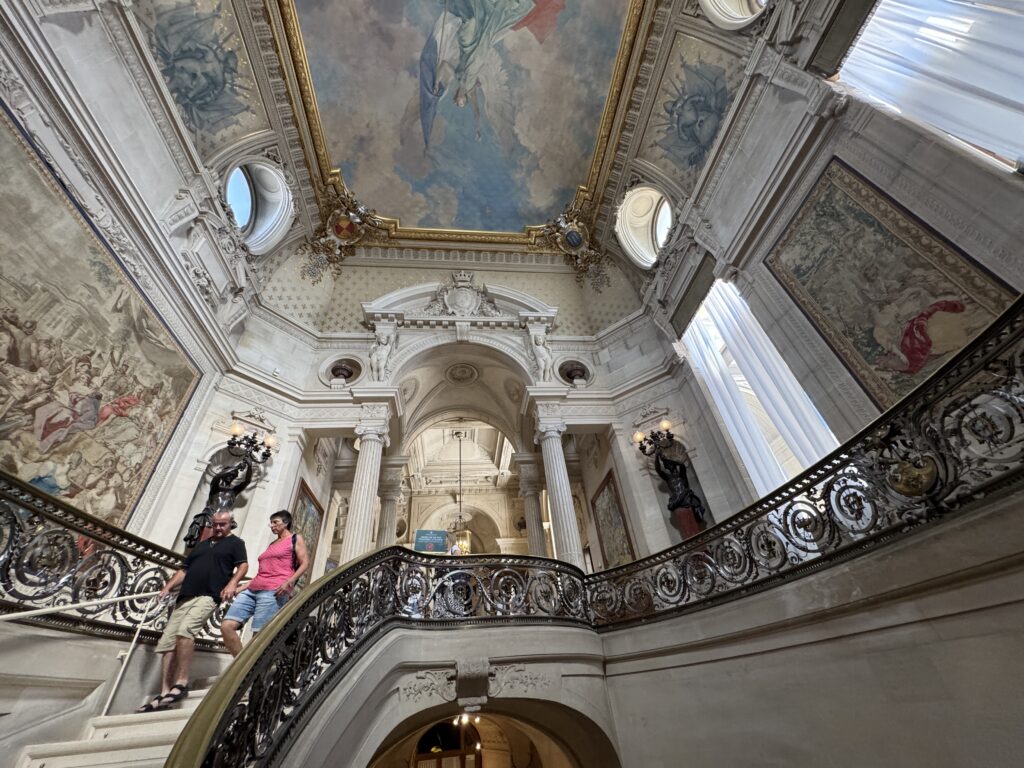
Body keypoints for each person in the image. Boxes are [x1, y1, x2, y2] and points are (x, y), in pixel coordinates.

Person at [137, 510, 247, 712]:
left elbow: (243, 566)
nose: (218, 528)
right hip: (185, 596)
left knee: (185, 631)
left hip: (209, 595)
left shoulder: (236, 543)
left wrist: (232, 583)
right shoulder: (202, 545)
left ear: (231, 523)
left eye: (222, 524)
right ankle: (164, 692)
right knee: (168, 644)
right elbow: (184, 569)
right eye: (215, 524)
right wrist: (167, 587)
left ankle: (182, 681)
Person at [220, 510, 309, 656]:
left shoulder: (295, 538)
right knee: (226, 626)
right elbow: (261, 574)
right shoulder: (272, 544)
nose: (272, 525)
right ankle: (243, 666)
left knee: (259, 637)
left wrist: (290, 582)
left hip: (273, 591)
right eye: (271, 523)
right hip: (252, 590)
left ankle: (252, 669)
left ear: (286, 523)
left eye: (275, 522)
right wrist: (240, 588)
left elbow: (305, 563)